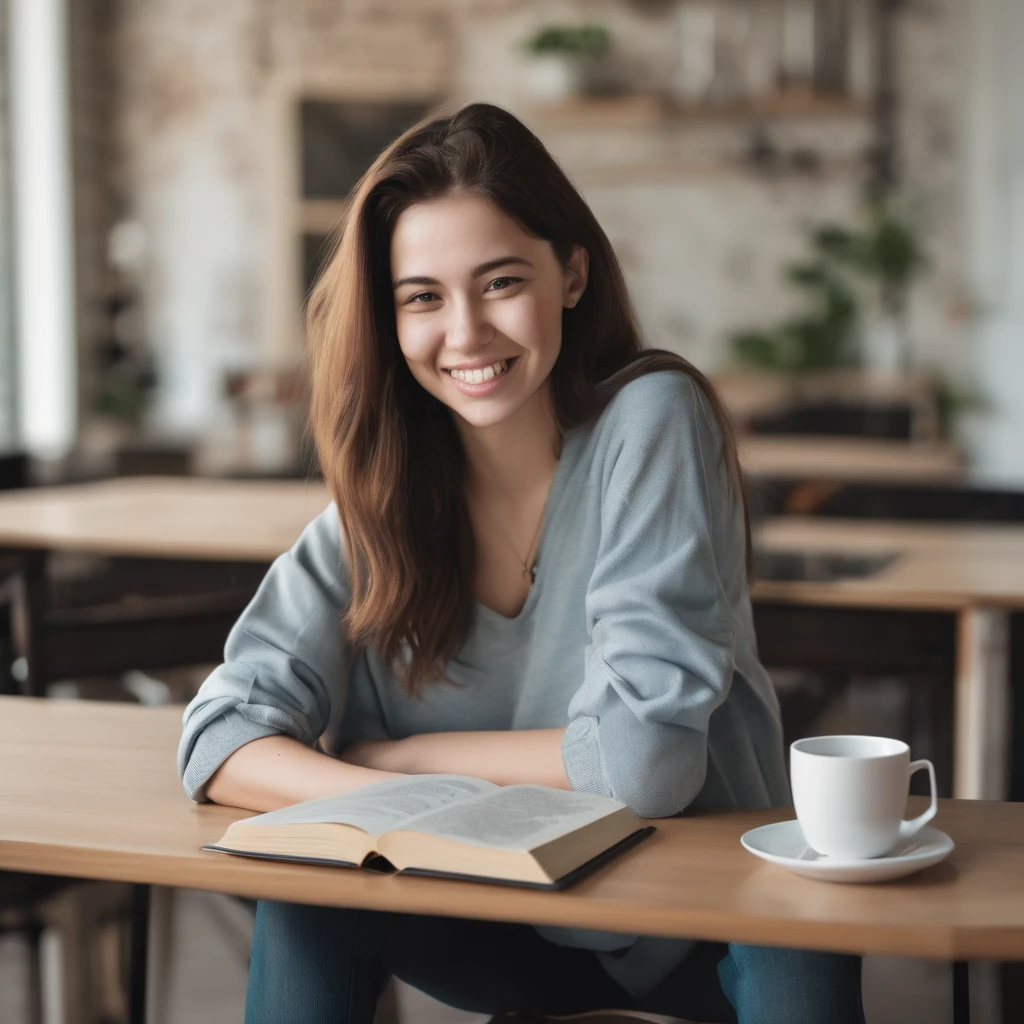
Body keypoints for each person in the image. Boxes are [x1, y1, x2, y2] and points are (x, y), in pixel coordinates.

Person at [177, 102, 865, 1024]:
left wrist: (411, 753)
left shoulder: (650, 418)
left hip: (706, 913)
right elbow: (218, 738)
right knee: (308, 895)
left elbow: (643, 766)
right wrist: (390, 791)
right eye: (422, 296)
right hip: (511, 917)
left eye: (500, 282)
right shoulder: (381, 504)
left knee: (805, 941)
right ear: (388, 318)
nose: (464, 333)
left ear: (571, 273)